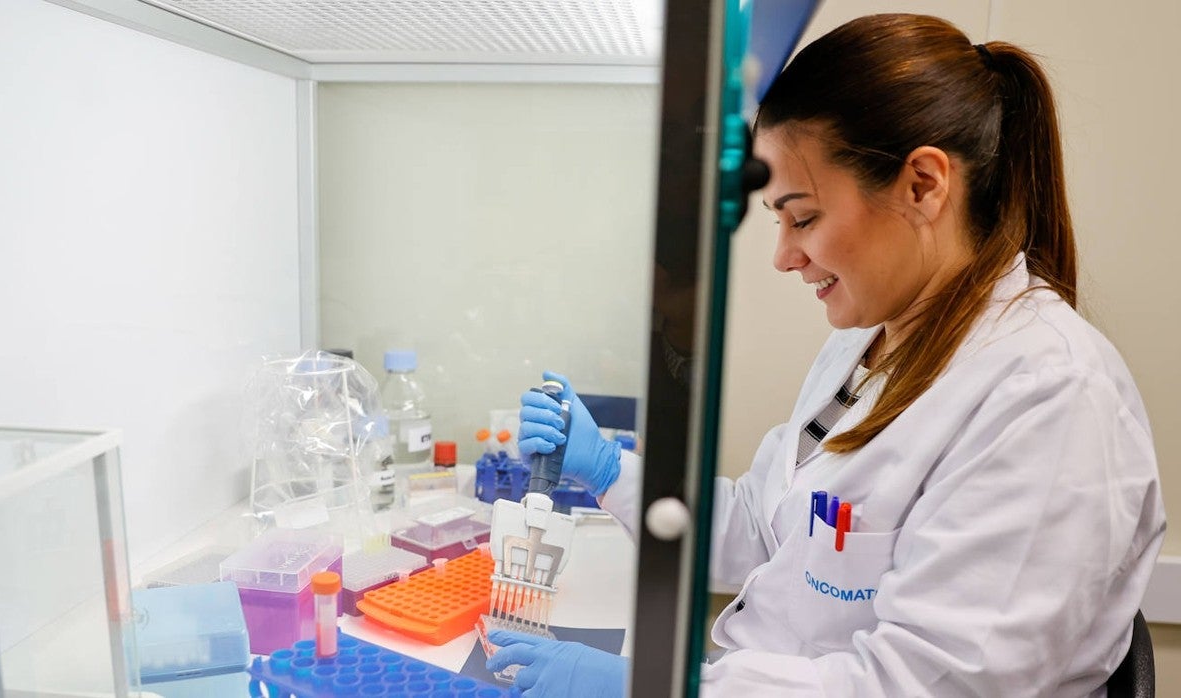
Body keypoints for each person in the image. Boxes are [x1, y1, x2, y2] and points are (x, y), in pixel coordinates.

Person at [485, 12, 1166, 697]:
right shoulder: (867, 343)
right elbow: (768, 528)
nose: (784, 256)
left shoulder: (1050, 397)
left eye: (803, 217)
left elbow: (923, 686)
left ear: (923, 185)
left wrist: (667, 690)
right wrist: (608, 469)